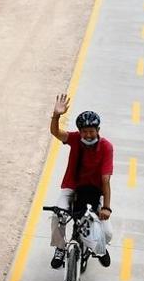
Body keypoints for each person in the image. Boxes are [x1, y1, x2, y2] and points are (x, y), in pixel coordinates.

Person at [49, 93, 114, 269]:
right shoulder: (76, 139)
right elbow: (55, 132)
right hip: (72, 186)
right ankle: (60, 248)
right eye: (84, 131)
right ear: (79, 132)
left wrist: (106, 207)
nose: (88, 134)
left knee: (107, 232)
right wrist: (56, 115)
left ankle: (100, 247)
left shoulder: (106, 147)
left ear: (98, 130)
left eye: (91, 131)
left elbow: (106, 180)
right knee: (57, 216)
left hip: (95, 190)